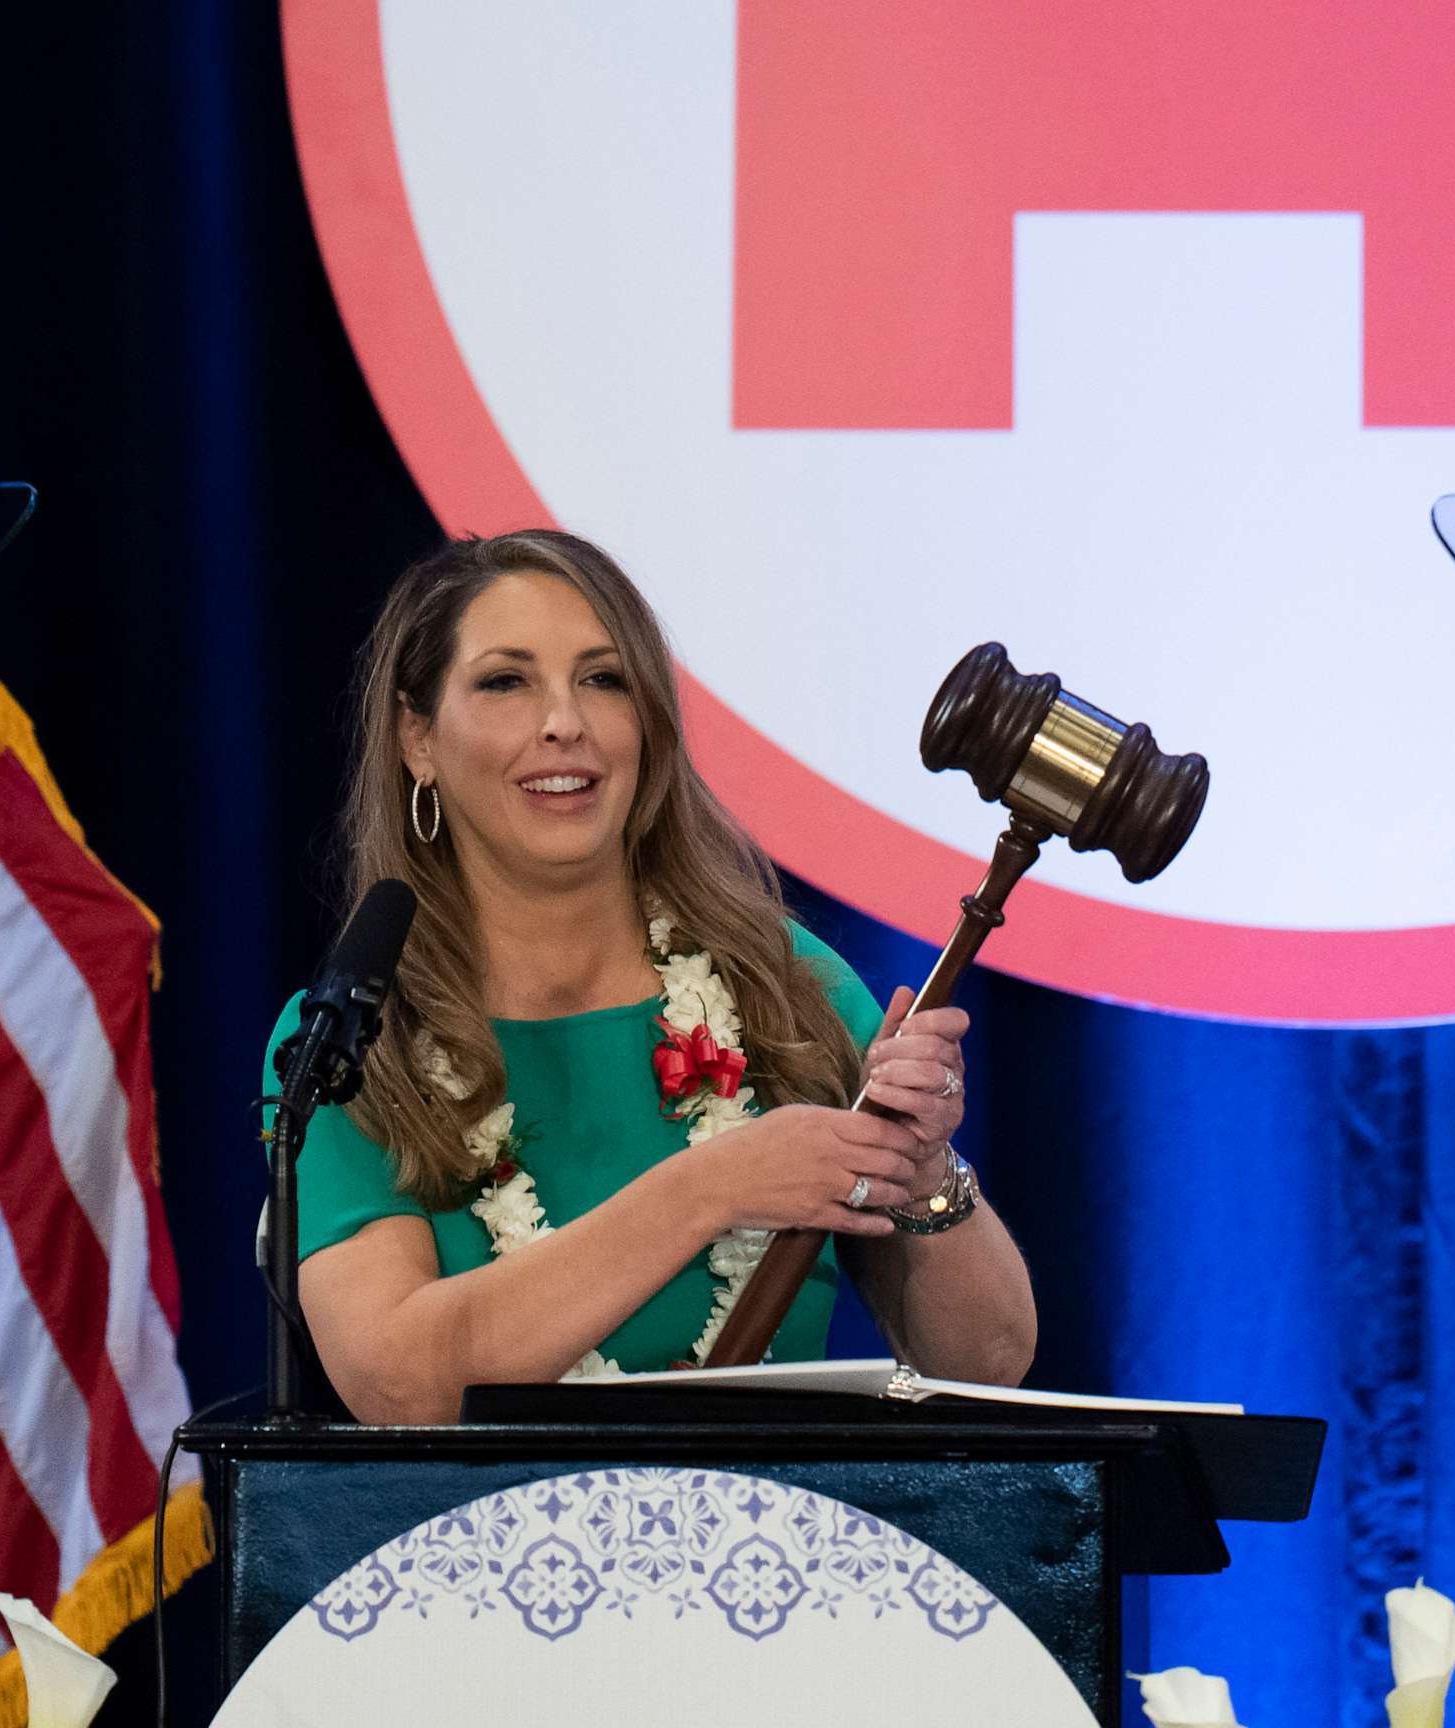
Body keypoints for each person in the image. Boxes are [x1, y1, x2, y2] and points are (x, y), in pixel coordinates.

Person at [269, 530, 1037, 1424]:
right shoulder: (345, 1041)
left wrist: (926, 1165)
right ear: (417, 738)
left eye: (604, 679)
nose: (567, 722)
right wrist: (712, 1188)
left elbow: (987, 1362)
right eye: (506, 682)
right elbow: (396, 1382)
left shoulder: (785, 988)